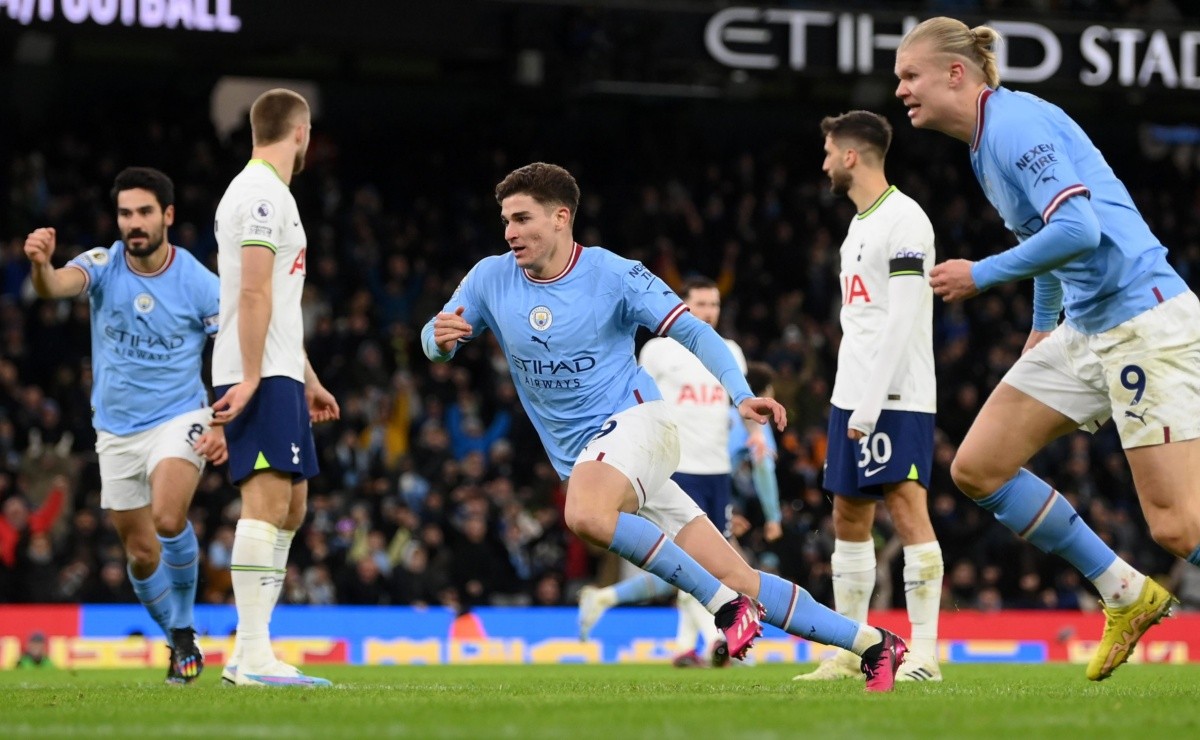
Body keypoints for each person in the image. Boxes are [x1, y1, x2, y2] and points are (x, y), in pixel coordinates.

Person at [423, 161, 907, 691]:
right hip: (590, 458)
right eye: (506, 221)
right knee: (739, 574)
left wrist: (741, 393)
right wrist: (438, 342)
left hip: (639, 425)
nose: (510, 233)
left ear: (561, 217)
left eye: (522, 219)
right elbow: (438, 333)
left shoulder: (615, 274)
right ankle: (873, 644)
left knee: (584, 513)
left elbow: (694, 333)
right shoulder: (492, 277)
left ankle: (725, 610)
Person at [894, 17, 1189, 681]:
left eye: (910, 76)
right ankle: (1124, 591)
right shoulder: (984, 139)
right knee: (978, 467)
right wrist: (1041, 322)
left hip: (1142, 319)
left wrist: (983, 273)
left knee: (1178, 529)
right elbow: (1050, 232)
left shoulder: (1012, 126)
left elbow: (1079, 227)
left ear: (955, 73)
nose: (901, 91)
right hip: (1085, 326)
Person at [23, 167, 224, 684]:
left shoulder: (200, 282)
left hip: (180, 415)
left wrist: (224, 417)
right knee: (139, 554)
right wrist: (42, 265)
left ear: (168, 216)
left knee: (166, 516)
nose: (134, 224)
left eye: (144, 213)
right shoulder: (103, 263)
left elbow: (234, 349)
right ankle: (178, 638)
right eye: (125, 214)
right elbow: (55, 287)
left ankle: (184, 628)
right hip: (115, 431)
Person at [795, 111, 944, 683]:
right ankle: (851, 649)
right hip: (852, 392)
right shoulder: (858, 226)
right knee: (848, 515)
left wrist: (874, 401)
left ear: (852, 156)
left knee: (907, 507)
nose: (826, 161)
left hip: (897, 394)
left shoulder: (906, 220)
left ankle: (926, 654)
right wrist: (852, 399)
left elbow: (905, 318)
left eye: (830, 151)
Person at [576, 276, 777, 668]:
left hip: (716, 471)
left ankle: (683, 641)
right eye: (700, 305)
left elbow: (735, 408)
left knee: (708, 563)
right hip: (676, 468)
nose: (708, 312)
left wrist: (752, 439)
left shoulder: (729, 352)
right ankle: (712, 644)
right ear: (682, 307)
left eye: (714, 305)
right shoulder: (659, 351)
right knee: (696, 562)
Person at [210, 88, 340, 688]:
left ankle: (251, 651)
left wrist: (307, 378)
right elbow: (254, 292)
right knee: (265, 503)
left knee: (291, 506)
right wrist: (257, 374)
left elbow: (280, 306)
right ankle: (252, 655)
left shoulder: (271, 193)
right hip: (256, 369)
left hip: (279, 367)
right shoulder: (262, 194)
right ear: (300, 133)